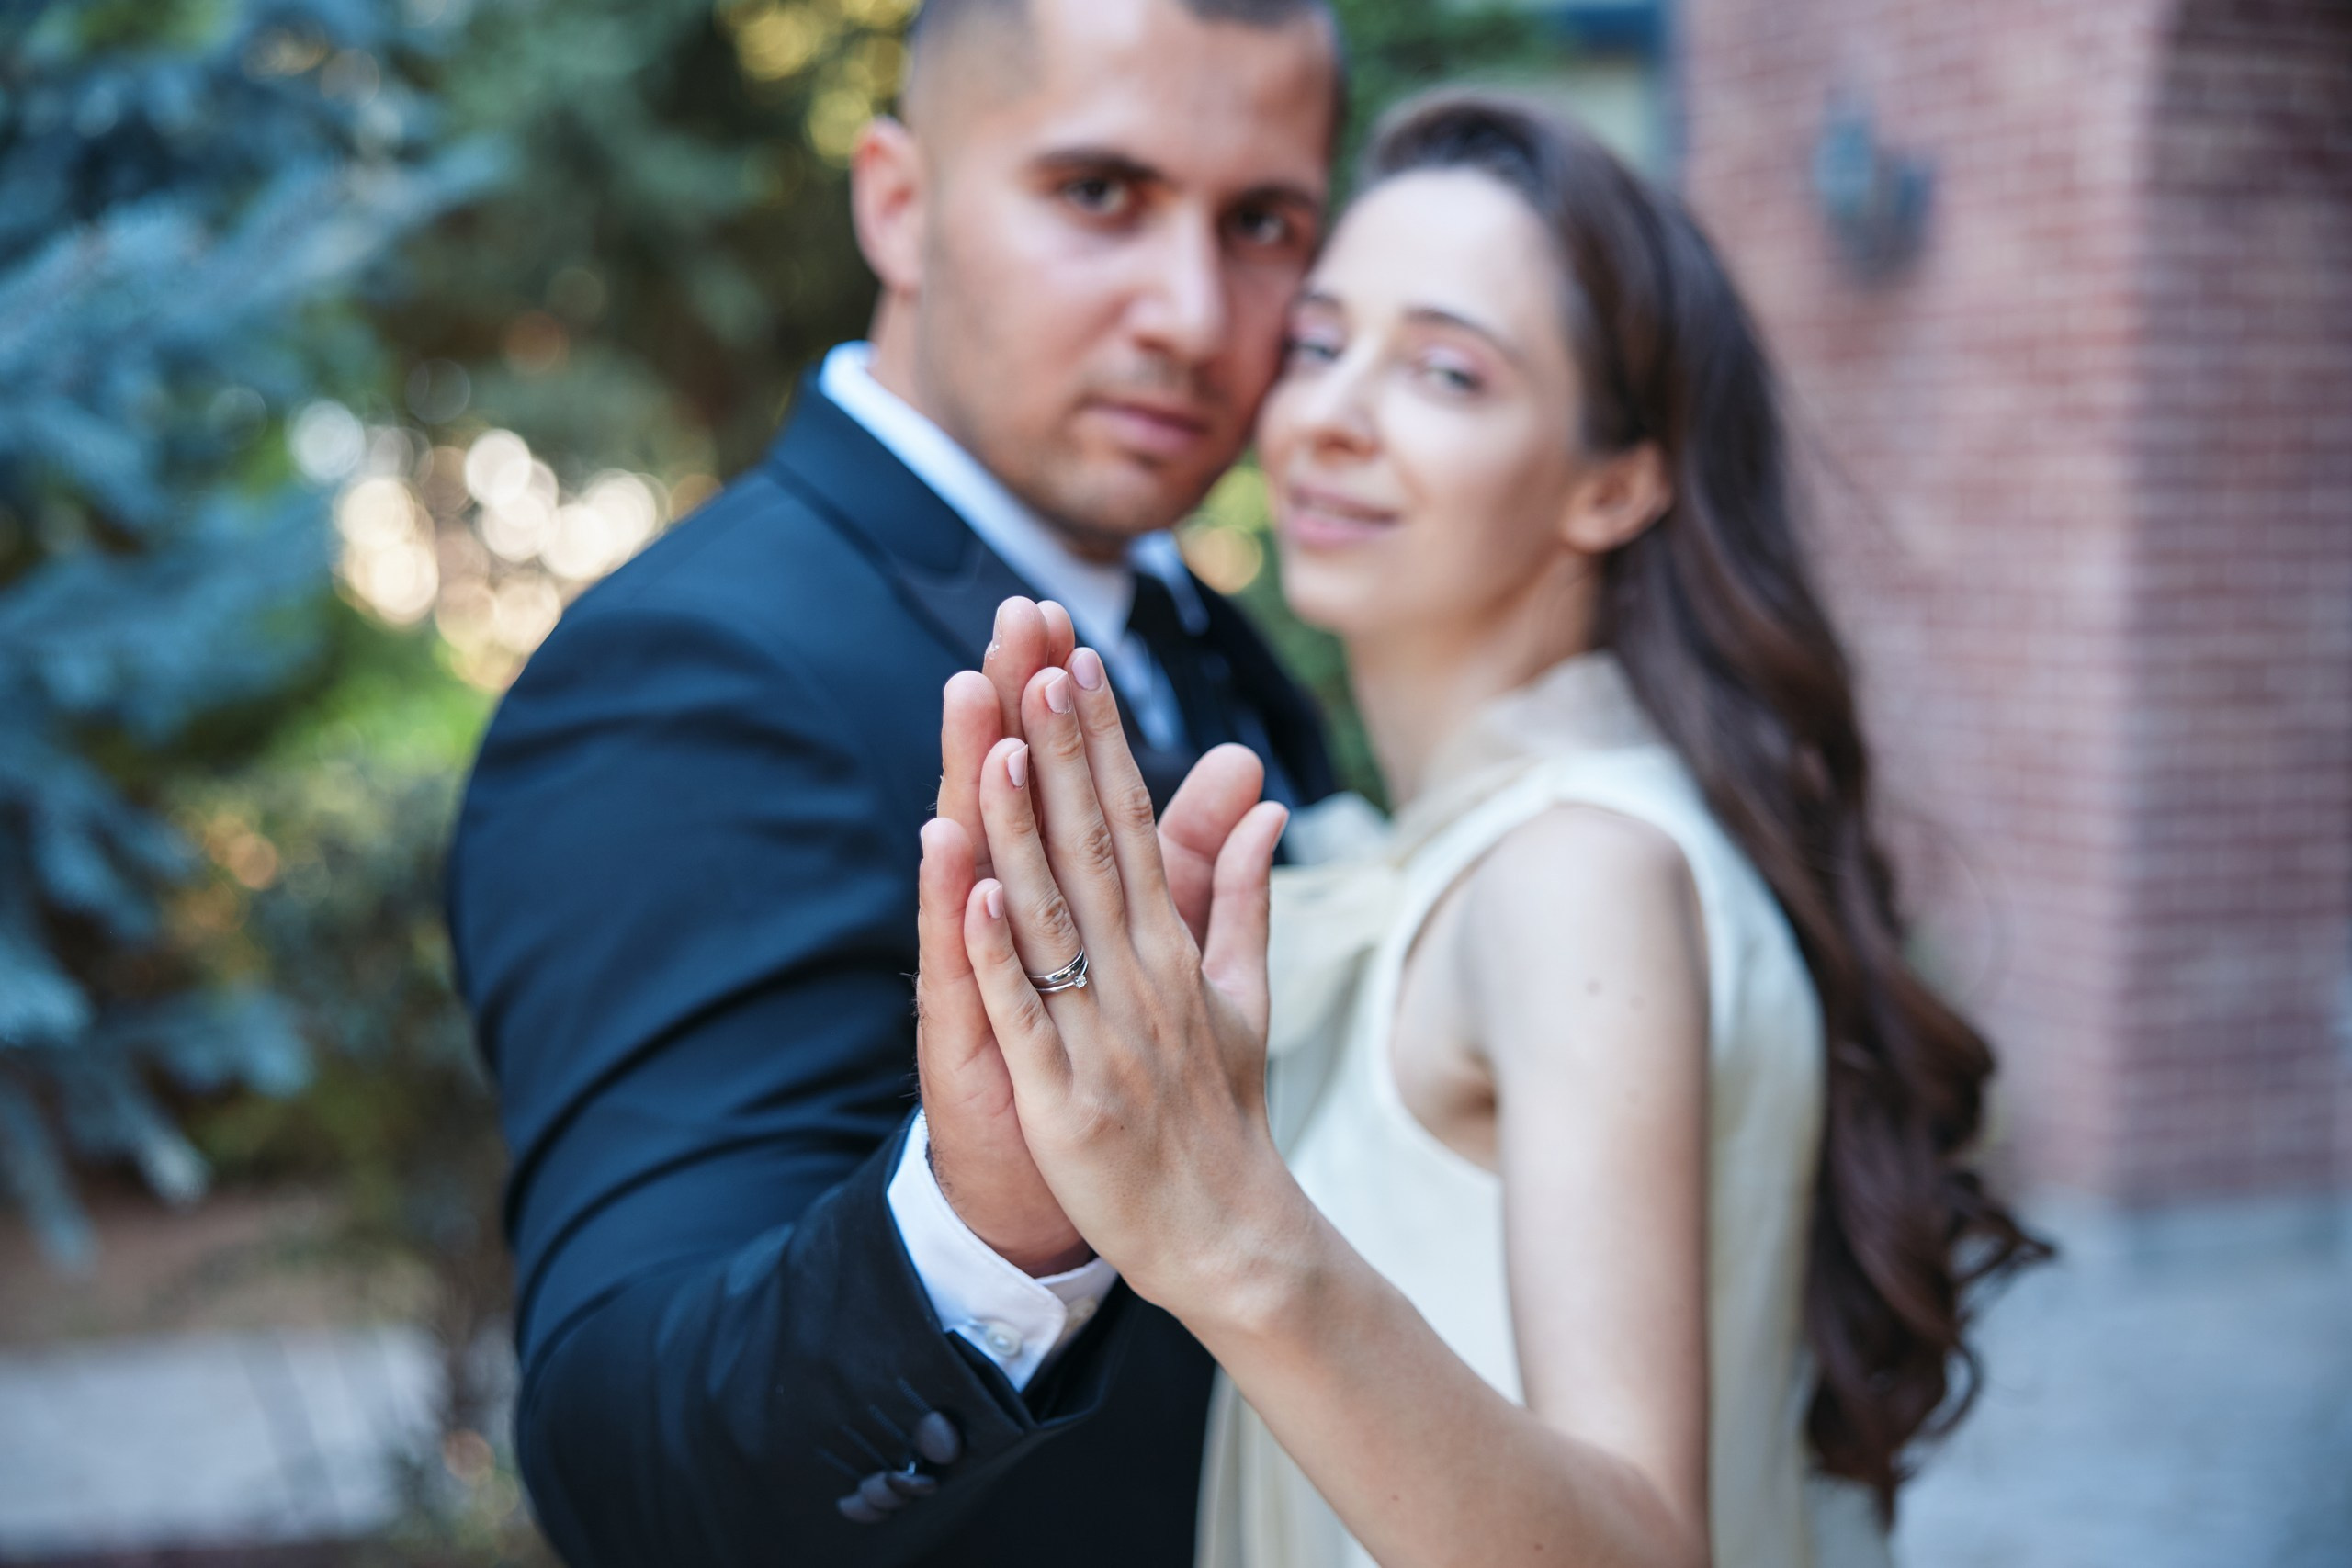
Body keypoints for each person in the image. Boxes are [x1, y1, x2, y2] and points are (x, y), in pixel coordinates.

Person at [928, 93, 2046, 1568]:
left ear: (1616, 482)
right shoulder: (1527, 840)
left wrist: (1226, 1233)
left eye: (1448, 372)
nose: (1331, 414)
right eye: (1322, 346)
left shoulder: (1574, 871)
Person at [444, 0, 1343, 1561]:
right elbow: (623, 1473)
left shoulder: (1207, 638)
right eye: (1099, 194)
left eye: (1262, 222)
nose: (1196, 316)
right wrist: (993, 1230)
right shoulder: (693, 673)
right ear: (899, 203)